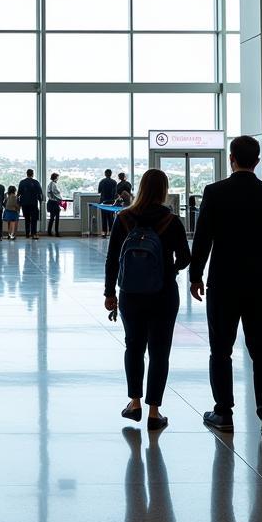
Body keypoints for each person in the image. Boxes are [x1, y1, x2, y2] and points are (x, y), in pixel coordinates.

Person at [189, 135, 262, 438]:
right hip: (260, 282)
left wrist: (195, 275)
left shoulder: (215, 192)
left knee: (220, 349)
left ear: (231, 158)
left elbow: (203, 237)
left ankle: (224, 413)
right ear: (257, 161)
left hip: (224, 281)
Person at [104, 167, 190, 430]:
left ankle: (134, 403)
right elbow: (186, 258)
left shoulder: (125, 218)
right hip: (163, 293)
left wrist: (109, 293)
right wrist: (169, 269)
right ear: (164, 190)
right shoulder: (171, 220)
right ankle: (155, 411)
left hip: (131, 292)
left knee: (134, 347)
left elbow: (112, 260)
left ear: (140, 187)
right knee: (160, 351)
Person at [18, 168, 43, 239]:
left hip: (24, 204)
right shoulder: (36, 182)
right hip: (33, 203)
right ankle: (33, 233)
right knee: (34, 219)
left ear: (27, 174)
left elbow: (19, 193)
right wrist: (40, 202)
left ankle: (27, 234)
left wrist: (19, 203)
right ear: (32, 174)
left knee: (27, 219)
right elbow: (40, 193)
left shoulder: (22, 182)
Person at [98, 169, 118, 236]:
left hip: (103, 201)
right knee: (111, 217)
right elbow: (116, 192)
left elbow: (99, 191)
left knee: (104, 217)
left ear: (105, 174)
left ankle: (104, 232)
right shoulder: (114, 182)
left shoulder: (102, 181)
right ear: (111, 174)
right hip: (111, 201)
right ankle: (110, 231)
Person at [47, 172, 63, 237]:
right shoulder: (54, 184)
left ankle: (49, 232)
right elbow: (54, 193)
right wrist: (59, 199)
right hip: (54, 203)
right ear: (55, 178)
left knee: (51, 218)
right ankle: (56, 232)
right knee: (57, 218)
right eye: (57, 178)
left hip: (50, 203)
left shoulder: (50, 184)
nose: (58, 179)